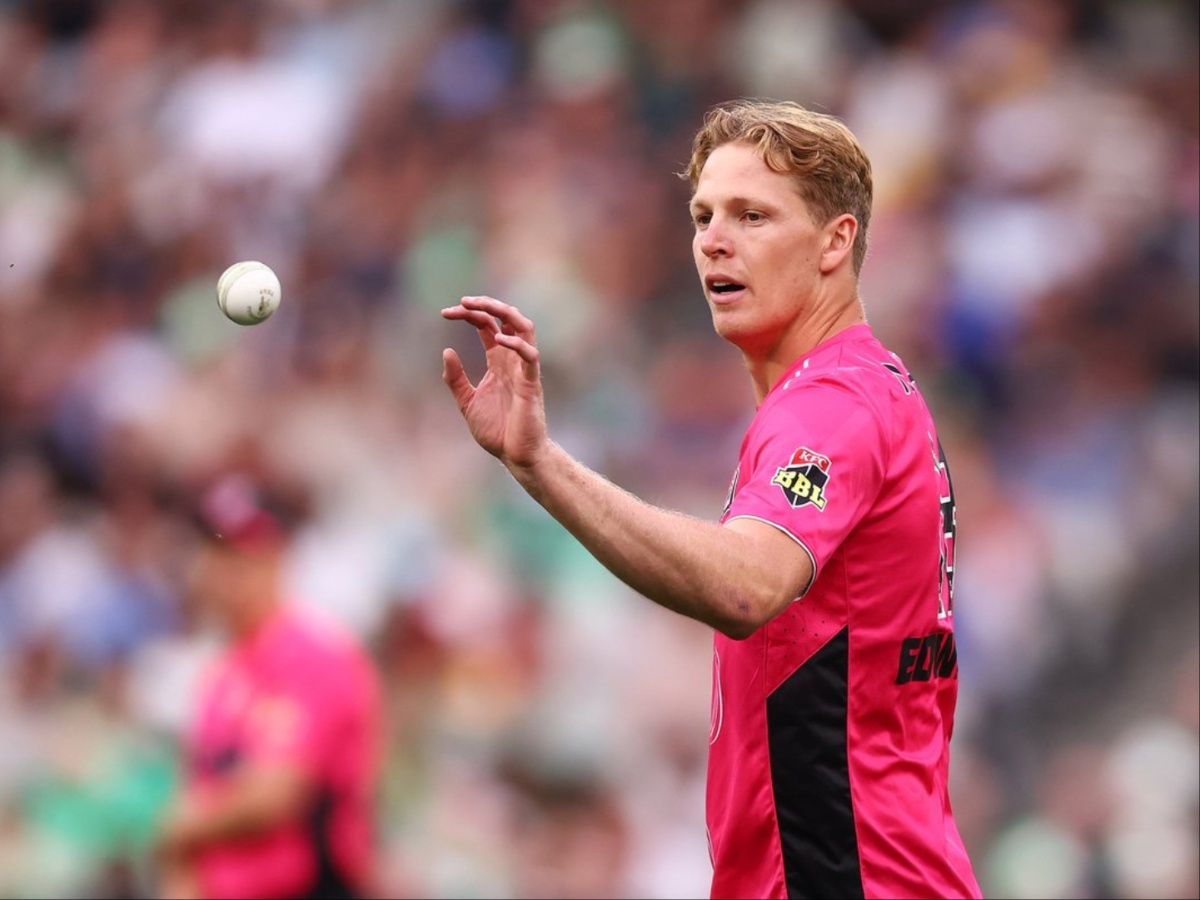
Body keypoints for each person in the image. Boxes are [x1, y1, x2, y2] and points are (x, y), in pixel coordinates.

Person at [441, 99, 981, 900]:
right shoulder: (856, 390)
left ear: (837, 240)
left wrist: (542, 466)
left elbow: (744, 586)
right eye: (703, 216)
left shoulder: (832, 404)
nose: (714, 241)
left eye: (752, 216)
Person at [157, 474, 382, 900]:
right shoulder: (221, 672)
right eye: (217, 550)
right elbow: (201, 792)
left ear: (279, 556)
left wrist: (181, 827)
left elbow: (275, 795)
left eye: (244, 552)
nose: (226, 570)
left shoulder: (314, 654)